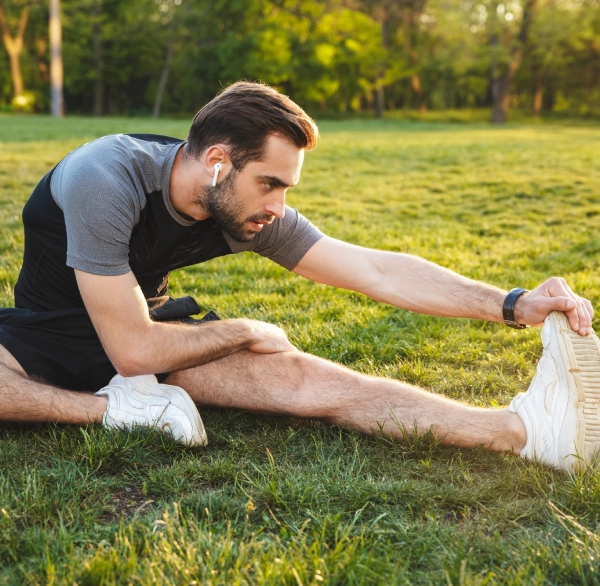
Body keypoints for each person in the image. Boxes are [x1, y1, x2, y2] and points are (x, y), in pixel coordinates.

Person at [0, 81, 598, 473]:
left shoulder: (242, 208)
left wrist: (513, 303)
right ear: (218, 163)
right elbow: (131, 352)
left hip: (152, 325)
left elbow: (374, 269)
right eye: (272, 183)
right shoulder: (103, 177)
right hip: (48, 331)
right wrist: (246, 329)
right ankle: (109, 411)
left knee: (305, 380)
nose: (279, 205)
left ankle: (525, 432)